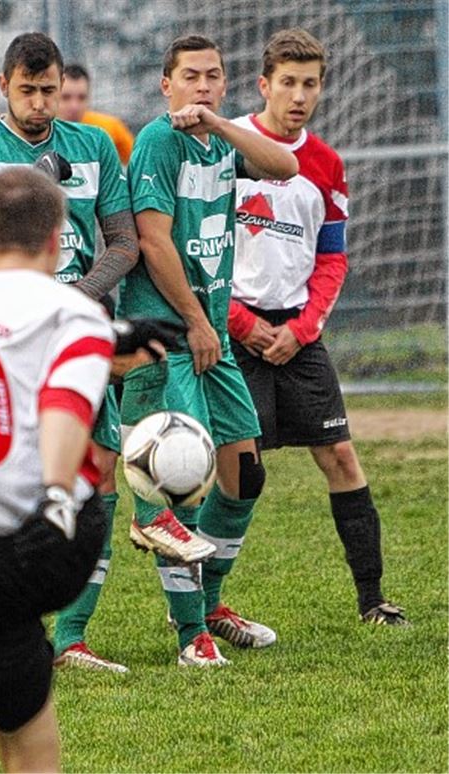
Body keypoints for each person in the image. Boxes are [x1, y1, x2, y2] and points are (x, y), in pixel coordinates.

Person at [0, 167, 171, 772]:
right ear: (59, 236)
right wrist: (58, 494)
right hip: (38, 541)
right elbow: (60, 401)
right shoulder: (68, 311)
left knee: (15, 731)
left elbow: (11, 372)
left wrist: (107, 341)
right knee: (38, 754)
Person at [0, 32, 138, 673]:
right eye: (27, 91)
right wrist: (25, 184)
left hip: (76, 328)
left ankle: (73, 637)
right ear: (3, 86)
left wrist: (78, 299)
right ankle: (14, 625)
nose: (40, 104)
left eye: (49, 90)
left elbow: (124, 243)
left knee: (100, 468)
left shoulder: (95, 145)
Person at [118, 34, 298, 666]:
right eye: (189, 76)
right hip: (170, 332)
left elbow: (286, 167)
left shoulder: (222, 137)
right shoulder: (157, 144)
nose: (201, 85)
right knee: (178, 483)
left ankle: (209, 602)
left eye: (213, 76)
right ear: (166, 84)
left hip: (211, 332)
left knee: (245, 475)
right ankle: (189, 635)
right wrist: (195, 321)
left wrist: (222, 122)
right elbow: (153, 241)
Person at [228, 29, 408, 626]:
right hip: (235, 333)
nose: (299, 95)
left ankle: (373, 599)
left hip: (297, 335)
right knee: (239, 473)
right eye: (288, 83)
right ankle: (203, 609)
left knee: (339, 455)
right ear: (264, 85)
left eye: (310, 84)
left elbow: (332, 257)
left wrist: (302, 329)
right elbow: (195, 249)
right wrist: (240, 323)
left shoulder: (327, 164)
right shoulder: (226, 146)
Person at [58, 64, 135, 166]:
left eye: (82, 98)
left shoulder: (110, 128)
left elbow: (140, 165)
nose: (74, 106)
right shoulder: (40, 130)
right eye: (66, 97)